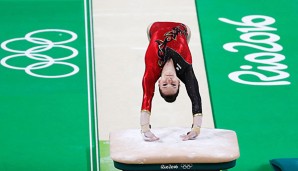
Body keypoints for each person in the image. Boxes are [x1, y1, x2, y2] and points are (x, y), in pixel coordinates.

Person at [140, 21, 203, 141]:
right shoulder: (186, 69)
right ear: (179, 82)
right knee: (184, 41)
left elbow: (147, 97)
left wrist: (145, 128)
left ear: (158, 82)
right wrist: (196, 128)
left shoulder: (151, 71)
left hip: (154, 27)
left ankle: (155, 40)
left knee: (154, 42)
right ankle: (180, 40)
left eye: (164, 84)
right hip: (184, 29)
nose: (169, 80)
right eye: (173, 84)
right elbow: (195, 98)